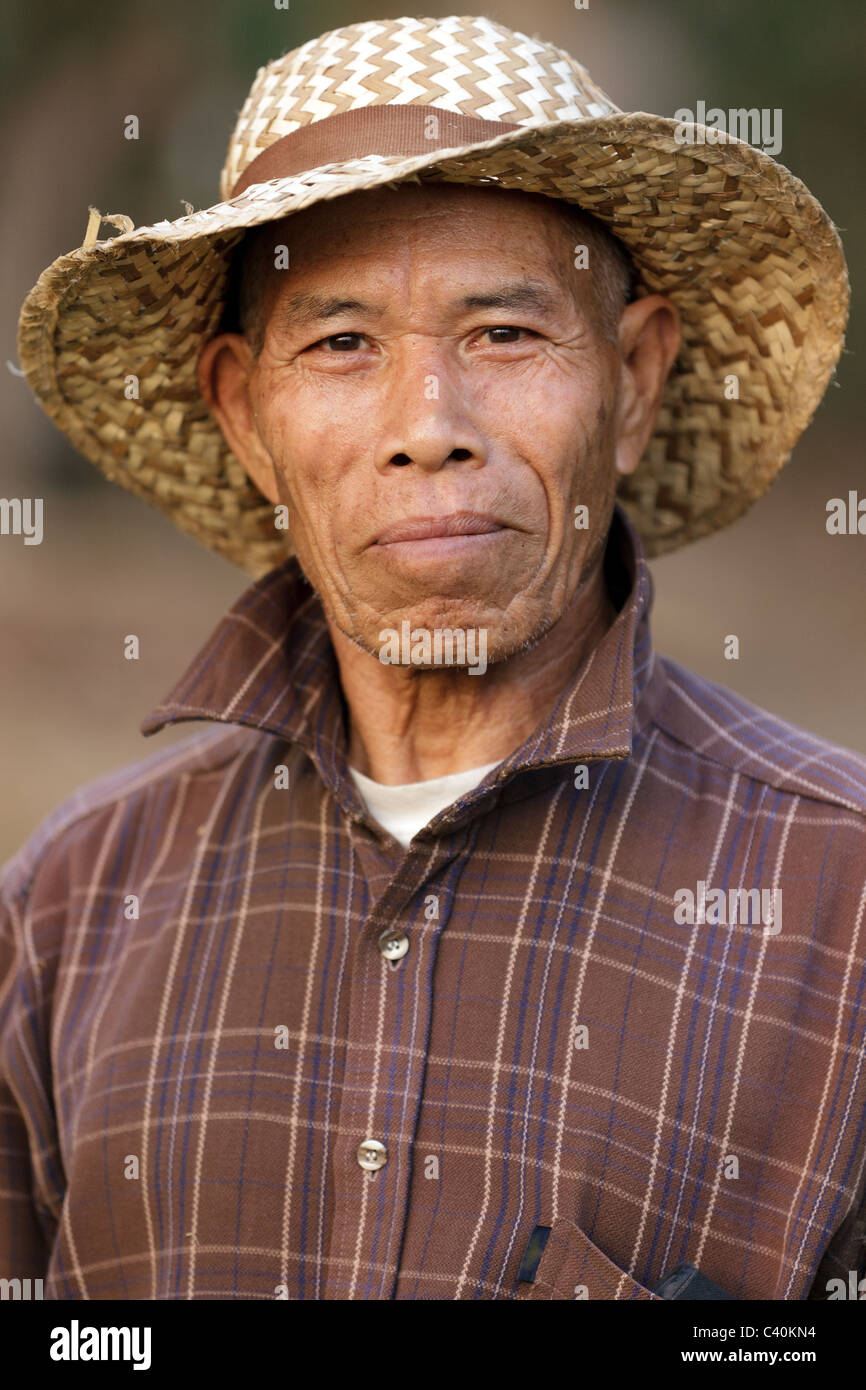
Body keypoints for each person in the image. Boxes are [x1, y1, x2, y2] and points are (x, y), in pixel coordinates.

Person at [3, 14, 863, 1301]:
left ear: (631, 382)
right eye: (341, 342)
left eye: (503, 334)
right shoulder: (66, 909)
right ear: (243, 413)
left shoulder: (840, 908)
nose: (427, 427)